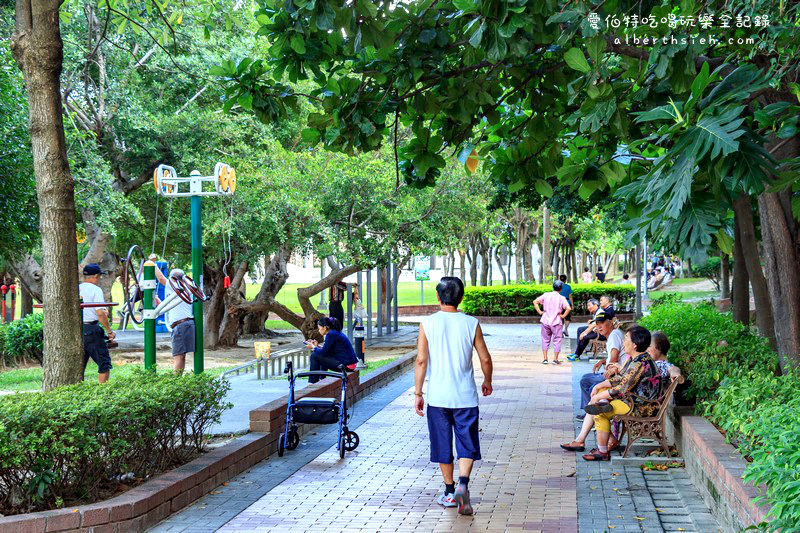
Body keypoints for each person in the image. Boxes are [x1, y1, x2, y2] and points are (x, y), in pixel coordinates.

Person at [415, 277, 493, 516]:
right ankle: (463, 484)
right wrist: (487, 381)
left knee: (442, 443)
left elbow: (421, 360)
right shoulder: (471, 323)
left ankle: (449, 491)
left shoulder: (427, 324)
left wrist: (418, 392)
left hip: (438, 397)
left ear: (438, 297)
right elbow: (485, 358)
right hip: (465, 397)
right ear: (461, 297)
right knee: (467, 442)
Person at [580, 326, 661, 461]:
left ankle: (602, 452)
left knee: (599, 412)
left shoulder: (640, 363)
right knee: (600, 396)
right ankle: (605, 444)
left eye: (626, 339)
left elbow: (622, 387)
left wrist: (599, 396)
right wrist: (600, 386)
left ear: (634, 345)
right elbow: (621, 377)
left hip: (640, 406)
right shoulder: (636, 359)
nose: (623, 343)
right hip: (633, 401)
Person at [573, 311, 623, 420]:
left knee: (586, 382)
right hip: (616, 372)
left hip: (615, 375)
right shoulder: (612, 335)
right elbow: (614, 357)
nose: (599, 327)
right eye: (597, 324)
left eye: (602, 323)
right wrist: (603, 361)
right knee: (586, 378)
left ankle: (590, 414)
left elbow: (614, 360)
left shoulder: (614, 335)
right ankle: (589, 411)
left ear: (610, 323)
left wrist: (607, 366)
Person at [152, 262, 195, 374]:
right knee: (181, 356)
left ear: (174, 279)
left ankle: (175, 381)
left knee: (178, 356)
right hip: (186, 323)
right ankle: (180, 379)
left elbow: (161, 278)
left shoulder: (176, 285)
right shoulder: (185, 287)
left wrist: (152, 263)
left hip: (181, 325)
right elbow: (175, 306)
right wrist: (161, 303)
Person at [79, 263, 115, 383]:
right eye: (99, 276)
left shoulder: (77, 288)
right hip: (92, 329)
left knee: (79, 365)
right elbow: (100, 313)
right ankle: (102, 391)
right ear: (95, 276)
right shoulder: (95, 290)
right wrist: (109, 331)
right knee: (104, 363)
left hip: (77, 329)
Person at [304, 317, 358, 383]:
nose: (319, 330)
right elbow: (326, 350)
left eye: (319, 328)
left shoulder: (331, 334)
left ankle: (312, 382)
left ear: (325, 327)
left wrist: (313, 347)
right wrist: (316, 346)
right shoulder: (335, 333)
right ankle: (322, 379)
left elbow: (323, 352)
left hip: (346, 366)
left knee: (314, 356)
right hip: (349, 364)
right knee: (321, 355)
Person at [534, 280, 571, 365]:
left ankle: (545, 359)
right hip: (556, 321)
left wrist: (540, 312)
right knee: (557, 340)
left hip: (545, 320)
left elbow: (535, 302)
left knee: (545, 339)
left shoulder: (546, 295)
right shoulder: (561, 298)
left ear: (553, 287)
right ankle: (555, 359)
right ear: (561, 289)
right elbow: (568, 308)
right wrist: (563, 316)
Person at [566, 297, 606, 361]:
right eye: (587, 306)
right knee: (580, 329)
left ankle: (577, 354)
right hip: (597, 330)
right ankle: (578, 350)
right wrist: (592, 320)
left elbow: (593, 325)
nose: (588, 307)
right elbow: (596, 322)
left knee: (585, 336)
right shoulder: (597, 312)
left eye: (589, 305)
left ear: (595, 305)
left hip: (601, 333)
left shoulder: (600, 312)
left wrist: (584, 333)